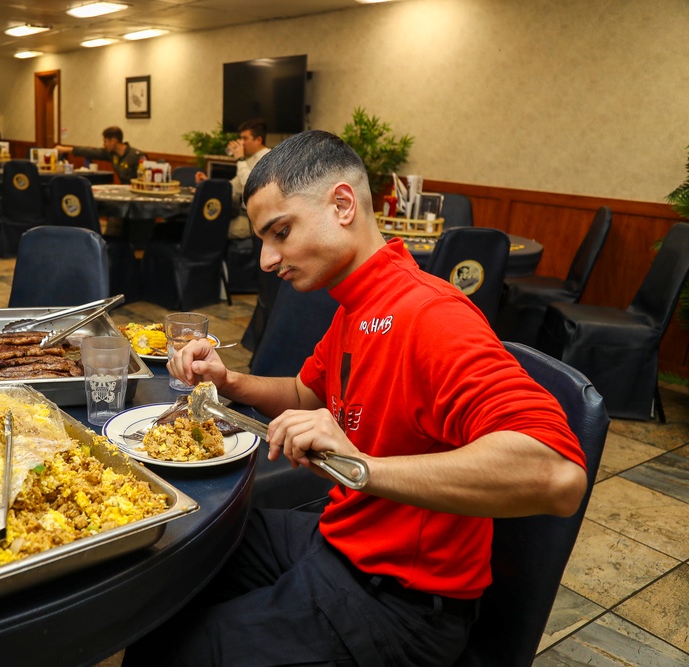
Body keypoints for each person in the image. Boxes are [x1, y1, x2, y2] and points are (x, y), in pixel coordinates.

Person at [124, 131, 588, 666]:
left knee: (176, 654)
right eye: (262, 241)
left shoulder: (431, 316)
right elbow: (304, 392)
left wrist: (360, 466)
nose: (268, 261)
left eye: (281, 232)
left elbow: (556, 475)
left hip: (402, 604)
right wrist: (229, 383)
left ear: (342, 205)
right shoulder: (354, 305)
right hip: (340, 537)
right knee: (179, 547)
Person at [196, 117, 272, 238]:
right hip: (240, 215)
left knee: (211, 228)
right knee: (205, 222)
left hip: (252, 221)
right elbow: (234, 186)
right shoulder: (250, 159)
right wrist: (209, 183)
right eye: (241, 138)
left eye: (245, 138)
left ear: (258, 140)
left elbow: (249, 185)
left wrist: (240, 159)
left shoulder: (268, 157)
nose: (241, 143)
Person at [56, 126, 145, 184]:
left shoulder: (136, 156)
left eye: (105, 141)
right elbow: (90, 151)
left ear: (113, 141)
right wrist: (65, 149)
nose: (104, 144)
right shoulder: (111, 154)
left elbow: (144, 180)